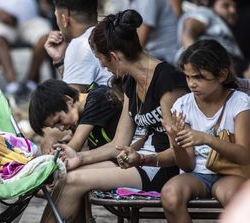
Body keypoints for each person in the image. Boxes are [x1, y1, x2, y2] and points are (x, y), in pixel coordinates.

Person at [40, 10, 189, 223]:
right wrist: (78, 156)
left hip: (164, 167)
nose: (102, 66)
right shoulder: (132, 82)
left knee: (73, 181)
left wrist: (145, 158)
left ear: (114, 56)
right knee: (65, 176)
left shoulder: (167, 81)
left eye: (101, 59)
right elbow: (119, 143)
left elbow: (180, 149)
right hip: (138, 161)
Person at [158, 39, 250, 222]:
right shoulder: (183, 105)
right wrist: (175, 141)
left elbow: (244, 155)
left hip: (231, 172)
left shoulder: (240, 103)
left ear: (222, 74)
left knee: (235, 200)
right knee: (170, 195)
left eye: (199, 77)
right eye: (188, 77)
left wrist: (206, 139)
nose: (191, 84)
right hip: (196, 174)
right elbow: (187, 166)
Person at [0, 0, 52, 96]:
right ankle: (13, 85)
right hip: (2, 21)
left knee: (47, 37)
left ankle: (30, 82)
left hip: (32, 20)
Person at [28, 79, 123, 154]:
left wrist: (57, 154)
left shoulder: (97, 98)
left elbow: (75, 146)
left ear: (68, 100)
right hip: (114, 156)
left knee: (66, 174)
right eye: (55, 126)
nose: (61, 128)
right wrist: (63, 142)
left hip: (128, 155)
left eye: (59, 120)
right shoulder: (79, 113)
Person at [44, 0, 111, 93]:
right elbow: (84, 90)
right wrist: (59, 60)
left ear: (64, 18)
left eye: (56, 16)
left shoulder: (79, 45)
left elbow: (72, 102)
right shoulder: (108, 31)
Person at [176, 0, 247, 74]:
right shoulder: (205, 12)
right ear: (212, 6)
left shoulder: (226, 27)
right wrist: (198, 62)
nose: (233, 10)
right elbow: (187, 35)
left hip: (234, 67)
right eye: (226, 5)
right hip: (209, 63)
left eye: (235, 7)